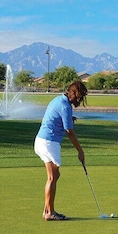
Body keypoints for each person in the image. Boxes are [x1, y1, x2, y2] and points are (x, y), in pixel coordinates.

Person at [34, 81, 88, 221]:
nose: (80, 100)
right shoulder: (65, 106)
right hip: (49, 142)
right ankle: (49, 212)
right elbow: (69, 132)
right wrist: (80, 151)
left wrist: (69, 118)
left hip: (42, 140)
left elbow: (54, 117)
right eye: (80, 97)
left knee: (55, 175)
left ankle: (47, 210)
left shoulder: (58, 100)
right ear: (74, 94)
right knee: (52, 177)